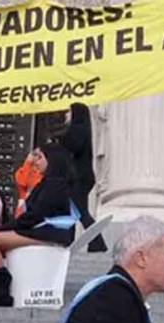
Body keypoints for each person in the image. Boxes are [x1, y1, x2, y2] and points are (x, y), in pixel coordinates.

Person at [0, 143, 77, 307]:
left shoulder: (54, 184)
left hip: (49, 234)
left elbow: (34, 216)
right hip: (42, 231)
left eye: (39, 157)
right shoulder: (49, 183)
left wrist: (5, 228)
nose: (35, 161)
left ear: (52, 160)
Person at [56, 102, 106, 253]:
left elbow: (72, 145)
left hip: (78, 178)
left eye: (69, 112)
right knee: (71, 212)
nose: (66, 115)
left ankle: (97, 243)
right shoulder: (81, 129)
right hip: (80, 177)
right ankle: (69, 243)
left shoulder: (78, 130)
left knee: (80, 211)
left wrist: (59, 138)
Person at [14, 148, 43, 218]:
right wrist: (27, 163)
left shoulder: (44, 173)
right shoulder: (21, 171)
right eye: (35, 155)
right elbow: (23, 182)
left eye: (40, 156)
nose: (36, 158)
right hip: (24, 204)